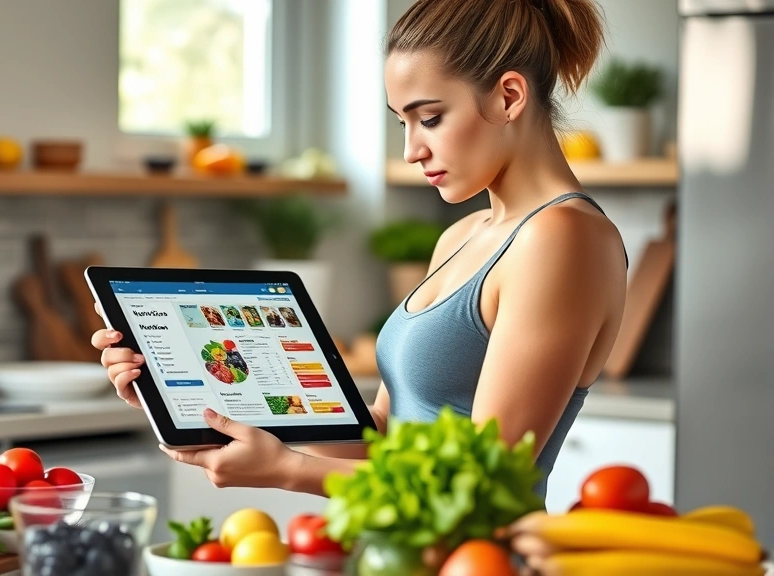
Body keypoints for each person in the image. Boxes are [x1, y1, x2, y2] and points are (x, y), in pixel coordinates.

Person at [92, 0, 626, 505]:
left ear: (508, 97)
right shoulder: (461, 236)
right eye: (402, 122)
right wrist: (189, 400)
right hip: (391, 551)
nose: (411, 150)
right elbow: (385, 440)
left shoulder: (564, 238)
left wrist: (286, 469)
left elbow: (482, 482)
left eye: (430, 118)